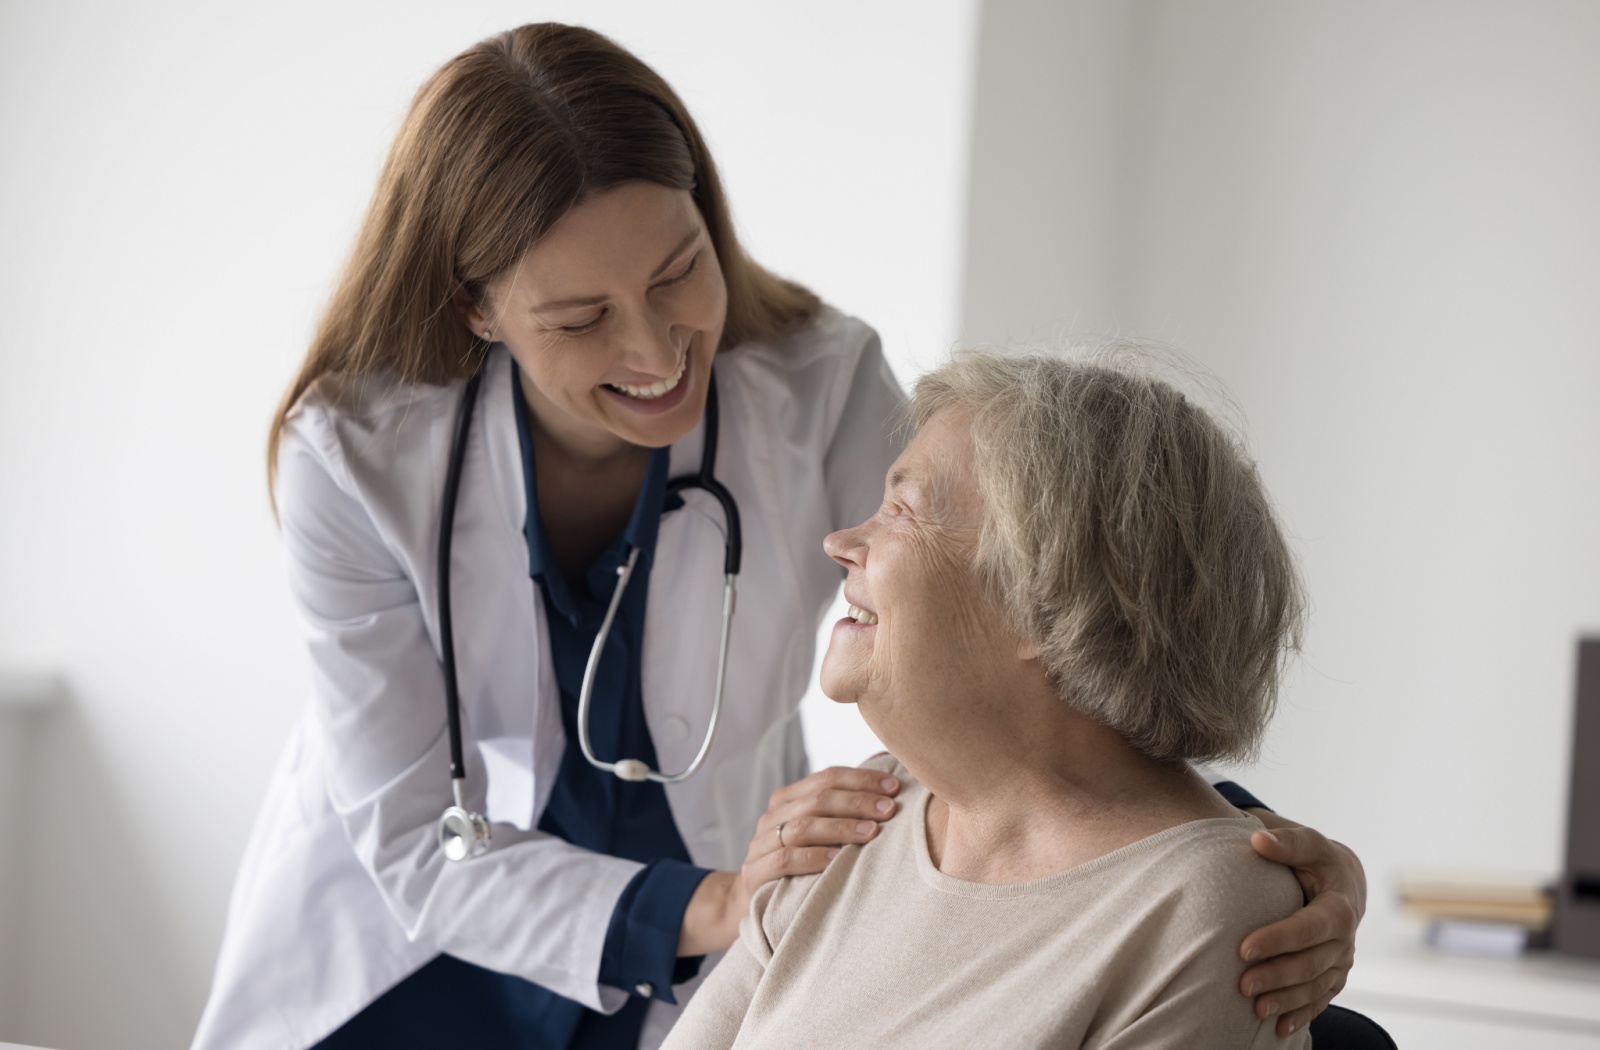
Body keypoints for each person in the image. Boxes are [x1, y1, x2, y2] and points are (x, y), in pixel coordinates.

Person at [192, 23, 1364, 1050]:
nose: (656, 354)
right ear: (478, 311)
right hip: (420, 952)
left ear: (711, 219)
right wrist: (721, 902)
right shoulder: (354, 455)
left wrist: (1234, 844)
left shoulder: (816, 379)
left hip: (721, 933)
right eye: (584, 319)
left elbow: (1018, 612)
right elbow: (411, 842)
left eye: (677, 274)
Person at [663, 347, 1317, 1049]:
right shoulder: (859, 815)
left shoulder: (1202, 910)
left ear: (1048, 601)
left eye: (900, 512)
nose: (840, 542)